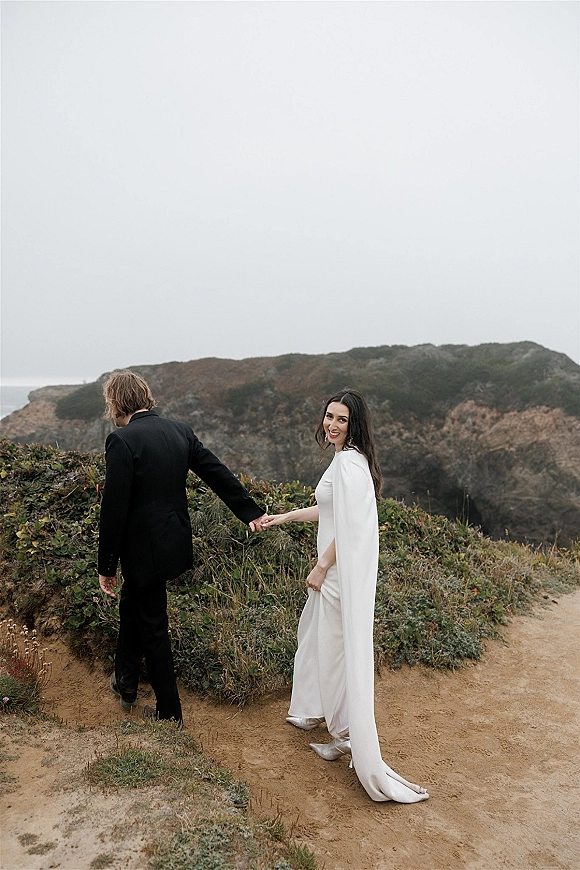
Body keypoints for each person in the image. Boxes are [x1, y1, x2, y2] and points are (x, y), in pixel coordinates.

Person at [262, 389, 429, 803]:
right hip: (334, 575)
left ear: (354, 425)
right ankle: (331, 721)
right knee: (319, 643)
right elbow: (329, 510)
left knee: (335, 652)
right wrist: (283, 517)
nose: (332, 425)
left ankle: (346, 735)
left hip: (335, 577)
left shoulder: (350, 464)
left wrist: (321, 567)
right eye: (329, 417)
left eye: (341, 419)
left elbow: (349, 527)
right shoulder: (345, 460)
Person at [98, 370, 267, 724]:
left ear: (115, 403)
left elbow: (114, 510)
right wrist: (248, 511)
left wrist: (106, 565)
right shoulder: (179, 431)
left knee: (153, 626)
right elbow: (215, 471)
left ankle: (169, 713)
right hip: (173, 544)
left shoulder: (122, 440)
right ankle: (126, 682)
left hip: (143, 553)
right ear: (145, 397)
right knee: (133, 606)